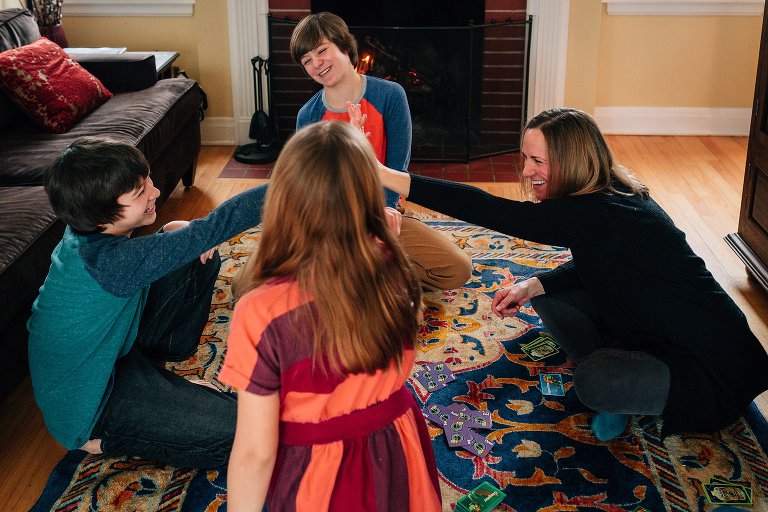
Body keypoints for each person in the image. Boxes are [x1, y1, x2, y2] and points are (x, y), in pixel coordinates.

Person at [376, 107, 768, 441]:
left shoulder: (599, 213)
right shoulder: (604, 193)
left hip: (708, 367)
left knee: (593, 381)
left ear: (571, 160)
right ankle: (623, 368)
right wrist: (533, 284)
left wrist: (385, 174)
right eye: (525, 158)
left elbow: (492, 210)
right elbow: (600, 263)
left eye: (538, 161)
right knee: (544, 293)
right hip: (649, 324)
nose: (527, 172)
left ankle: (623, 390)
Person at [218, 121, 442, 511]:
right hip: (398, 445)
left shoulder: (260, 311)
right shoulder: (395, 266)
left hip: (317, 473)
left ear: (283, 199)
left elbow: (255, 453)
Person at [27, 136, 267, 468]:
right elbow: (216, 227)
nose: (154, 192)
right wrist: (291, 185)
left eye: (147, 180)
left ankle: (160, 372)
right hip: (93, 404)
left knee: (194, 253)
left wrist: (170, 235)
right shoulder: (112, 263)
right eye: (140, 193)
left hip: (112, 356)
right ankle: (107, 437)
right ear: (101, 215)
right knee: (251, 433)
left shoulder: (84, 232)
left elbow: (161, 253)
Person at [231, 11, 471, 299]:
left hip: (382, 212)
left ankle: (352, 273)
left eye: (322, 51)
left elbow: (398, 168)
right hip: (327, 222)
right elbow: (306, 188)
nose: (316, 63)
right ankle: (351, 272)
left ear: (345, 47)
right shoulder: (308, 115)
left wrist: (381, 214)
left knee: (457, 269)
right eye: (307, 60)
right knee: (243, 287)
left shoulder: (390, 96)